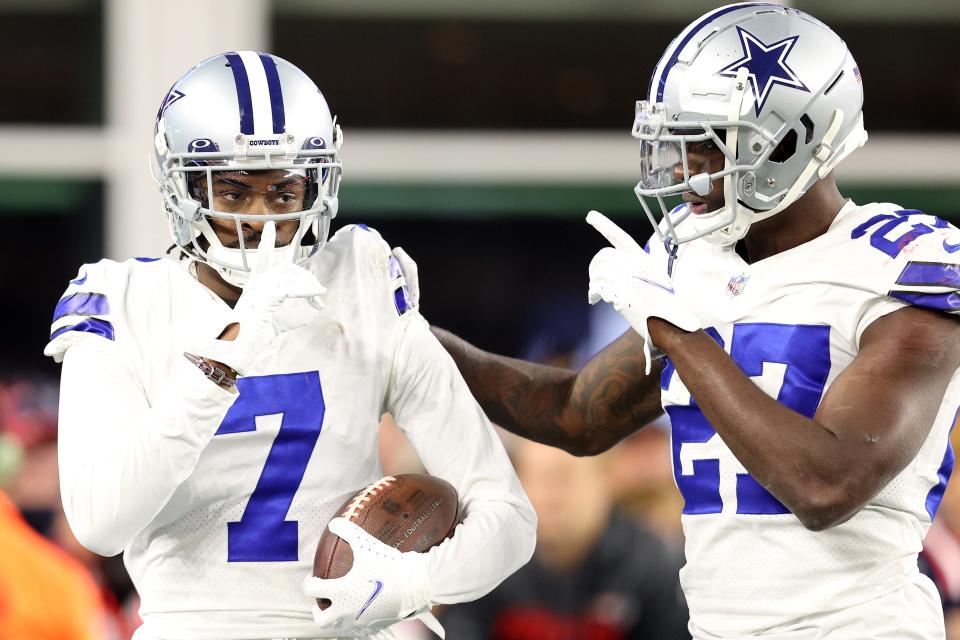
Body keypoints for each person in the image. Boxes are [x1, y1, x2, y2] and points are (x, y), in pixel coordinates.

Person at [396, 4, 960, 638]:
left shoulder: (903, 265)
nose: (685, 169)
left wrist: (673, 328)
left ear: (790, 139)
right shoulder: (697, 260)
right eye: (678, 143)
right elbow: (576, 416)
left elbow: (825, 485)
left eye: (708, 144)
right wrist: (406, 340)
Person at [46, 51, 536, 640]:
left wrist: (413, 585)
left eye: (283, 192)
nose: (264, 221)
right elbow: (100, 523)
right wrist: (228, 355)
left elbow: (508, 517)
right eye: (231, 192)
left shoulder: (358, 281)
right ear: (180, 187)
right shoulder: (121, 298)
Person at [439, 439, 690, 640]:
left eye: (563, 477)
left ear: (607, 479)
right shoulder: (484, 561)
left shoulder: (653, 563)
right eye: (535, 477)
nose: (549, 495)